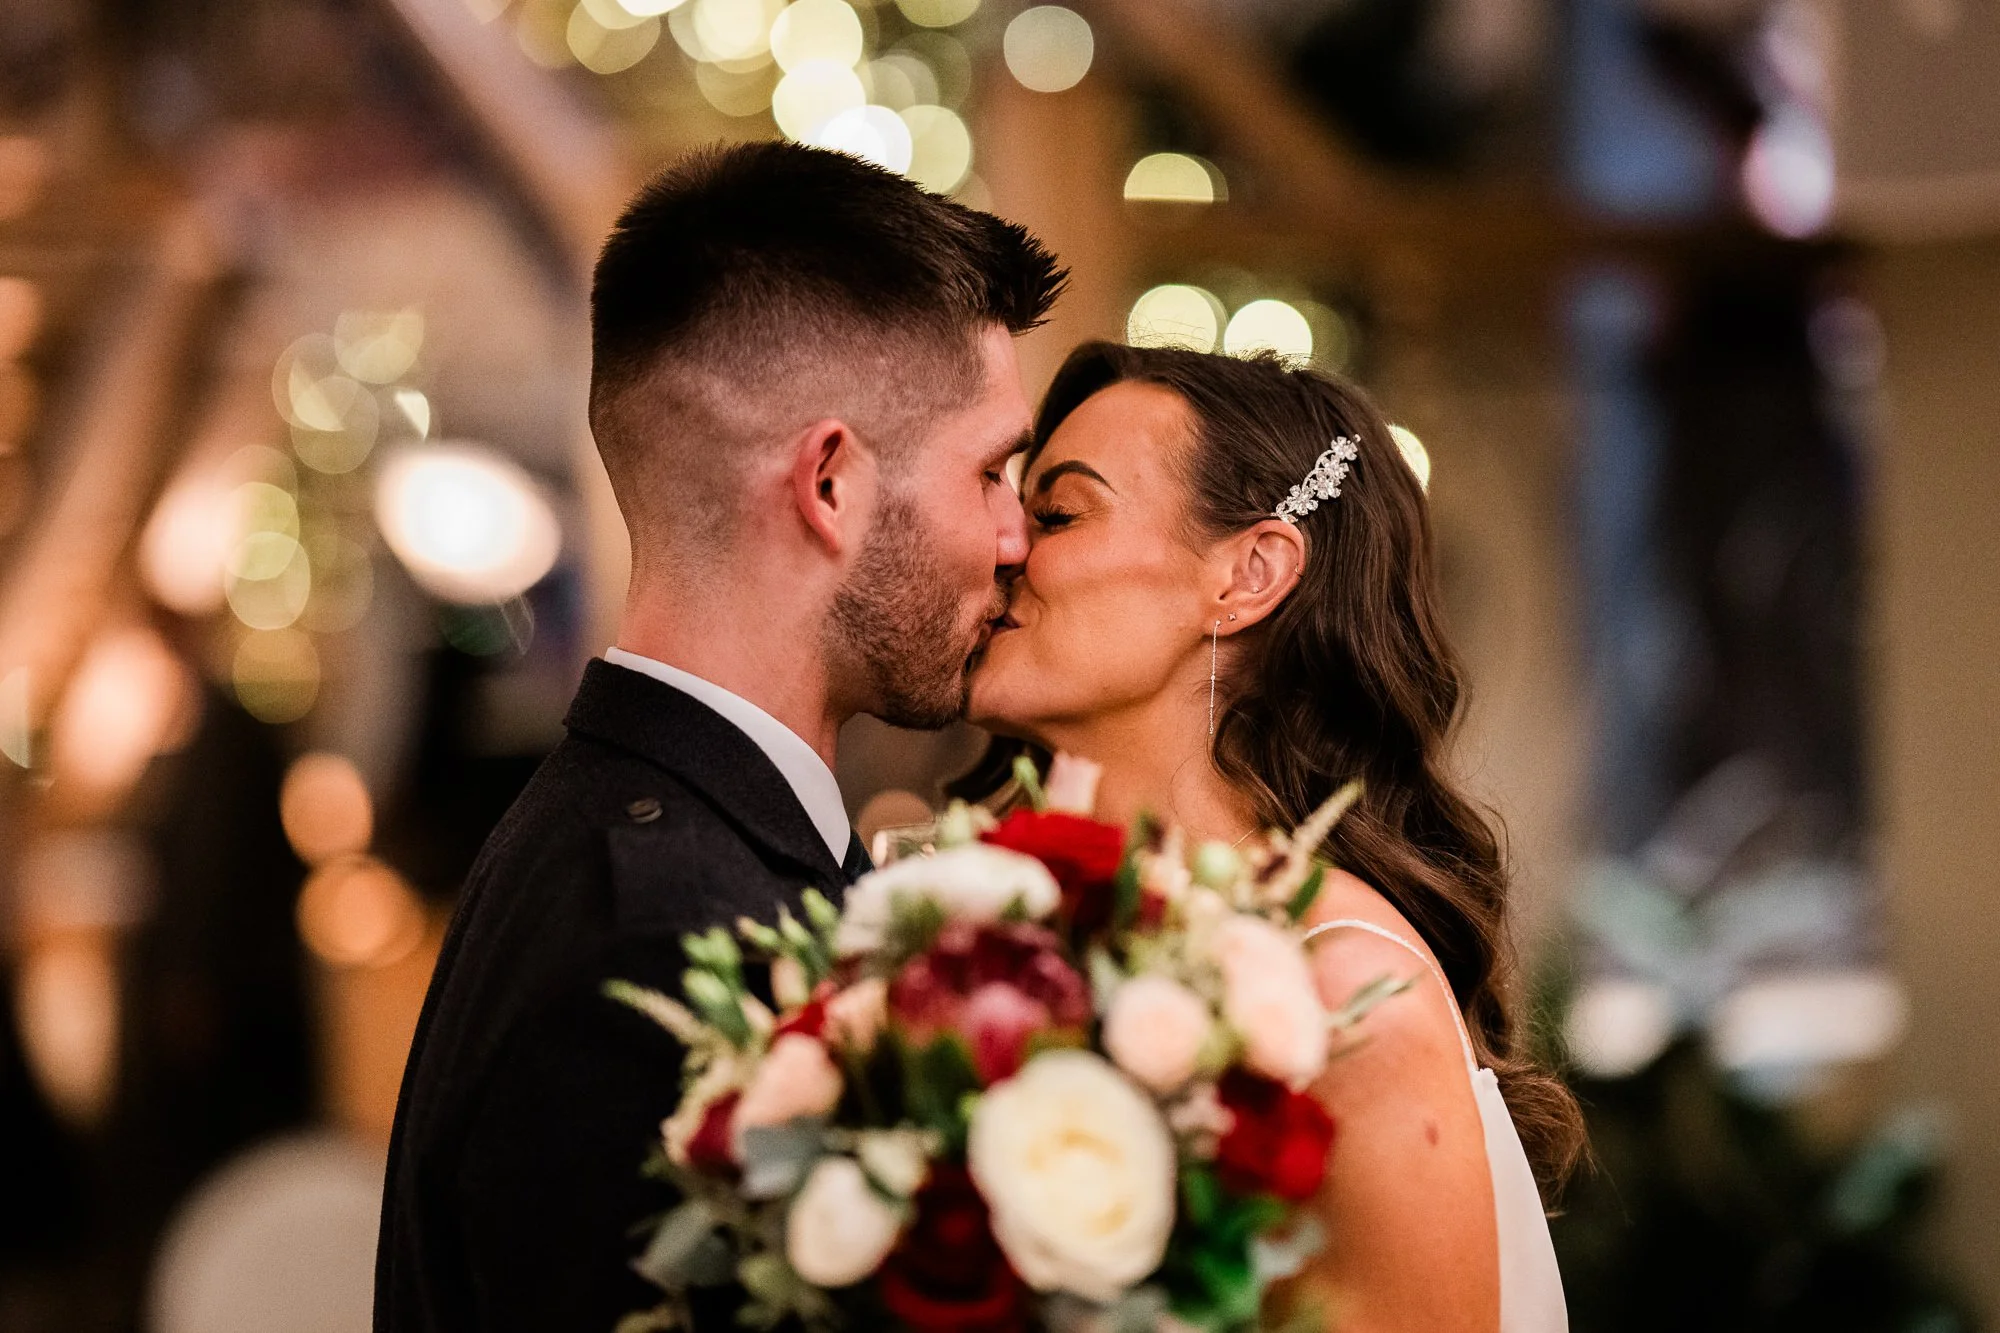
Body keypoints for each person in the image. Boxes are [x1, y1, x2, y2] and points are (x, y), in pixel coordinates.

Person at [375, 142, 1065, 1332]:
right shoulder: (652, 936)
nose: (1016, 535)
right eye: (992, 471)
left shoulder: (640, 839)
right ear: (831, 485)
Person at [964, 341, 1585, 1331]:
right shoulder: (1002, 941)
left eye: (1056, 513)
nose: (1000, 546)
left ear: (1246, 574)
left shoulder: (1339, 993)